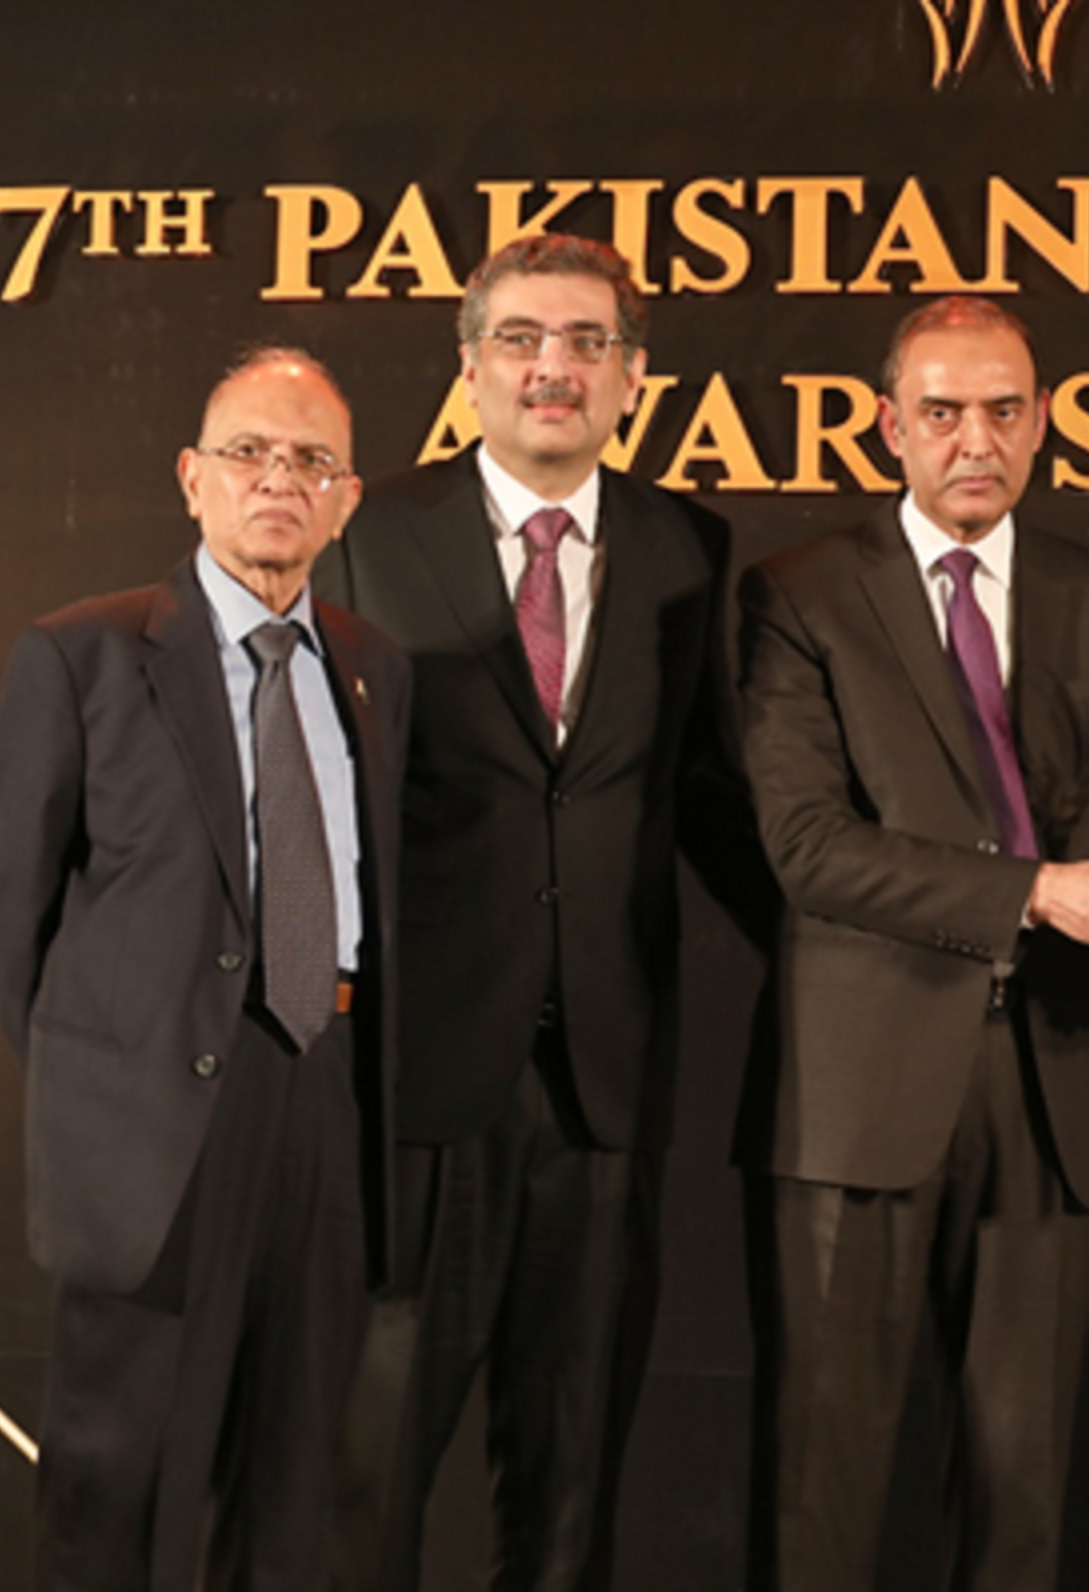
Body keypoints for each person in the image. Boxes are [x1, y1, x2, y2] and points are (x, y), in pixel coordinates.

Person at [315, 233, 765, 1590]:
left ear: (634, 376)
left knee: (568, 1495)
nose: (552, 367)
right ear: (469, 367)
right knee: (366, 1481)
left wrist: (877, 945)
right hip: (414, 1086)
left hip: (608, 1086)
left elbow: (707, 796)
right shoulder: (366, 531)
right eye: (521, 338)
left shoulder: (692, 547)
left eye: (587, 342)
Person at [733, 294, 1089, 1591]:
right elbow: (807, 849)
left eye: (1004, 409)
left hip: (1055, 1088)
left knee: (1020, 1509)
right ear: (891, 427)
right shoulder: (801, 597)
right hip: (858, 1098)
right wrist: (1040, 895)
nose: (973, 438)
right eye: (941, 411)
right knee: (821, 1499)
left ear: (1045, 423)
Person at [0, 348, 408, 1590]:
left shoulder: (378, 667)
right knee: (121, 1495)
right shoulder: (84, 656)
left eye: (310, 460)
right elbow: (16, 918)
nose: (279, 478)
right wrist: (113, 1086)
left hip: (324, 1093)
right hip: (155, 1127)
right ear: (192, 478)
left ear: (347, 497)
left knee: (297, 1489)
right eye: (249, 453)